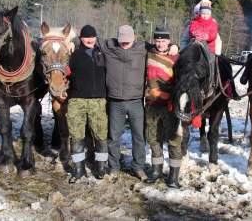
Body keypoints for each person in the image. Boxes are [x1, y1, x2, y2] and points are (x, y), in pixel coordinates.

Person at [104, 25, 178, 181]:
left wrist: (174, 46)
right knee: (114, 136)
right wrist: (72, 41)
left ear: (134, 38)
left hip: (136, 101)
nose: (125, 43)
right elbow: (89, 40)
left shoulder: (144, 48)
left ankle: (138, 167)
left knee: (139, 136)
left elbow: (163, 46)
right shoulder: (110, 46)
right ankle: (114, 167)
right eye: (122, 40)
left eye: (128, 40)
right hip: (116, 102)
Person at [65, 25, 108, 182]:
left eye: (92, 37)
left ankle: (101, 167)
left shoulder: (103, 53)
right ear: (81, 38)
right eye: (86, 37)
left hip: (98, 100)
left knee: (101, 134)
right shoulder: (73, 54)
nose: (90, 40)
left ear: (96, 38)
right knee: (76, 135)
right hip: (77, 100)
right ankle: (78, 169)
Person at [145, 26, 182, 188]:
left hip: (170, 107)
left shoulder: (177, 58)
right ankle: (156, 171)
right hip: (151, 105)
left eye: (163, 41)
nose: (160, 44)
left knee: (174, 141)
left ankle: (173, 177)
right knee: (153, 139)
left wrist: (176, 47)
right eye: (157, 41)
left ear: (169, 41)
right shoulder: (148, 54)